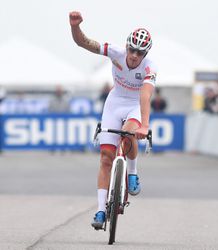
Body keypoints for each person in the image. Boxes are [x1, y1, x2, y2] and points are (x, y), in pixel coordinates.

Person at [69, 11, 157, 230]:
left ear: (145, 53)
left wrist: (144, 125)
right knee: (106, 158)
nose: (134, 55)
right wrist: (74, 27)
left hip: (135, 104)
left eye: (140, 52)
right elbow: (84, 43)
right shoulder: (116, 53)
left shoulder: (149, 67)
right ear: (126, 46)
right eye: (132, 49)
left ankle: (133, 173)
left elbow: (145, 96)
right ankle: (100, 210)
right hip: (115, 102)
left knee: (129, 132)